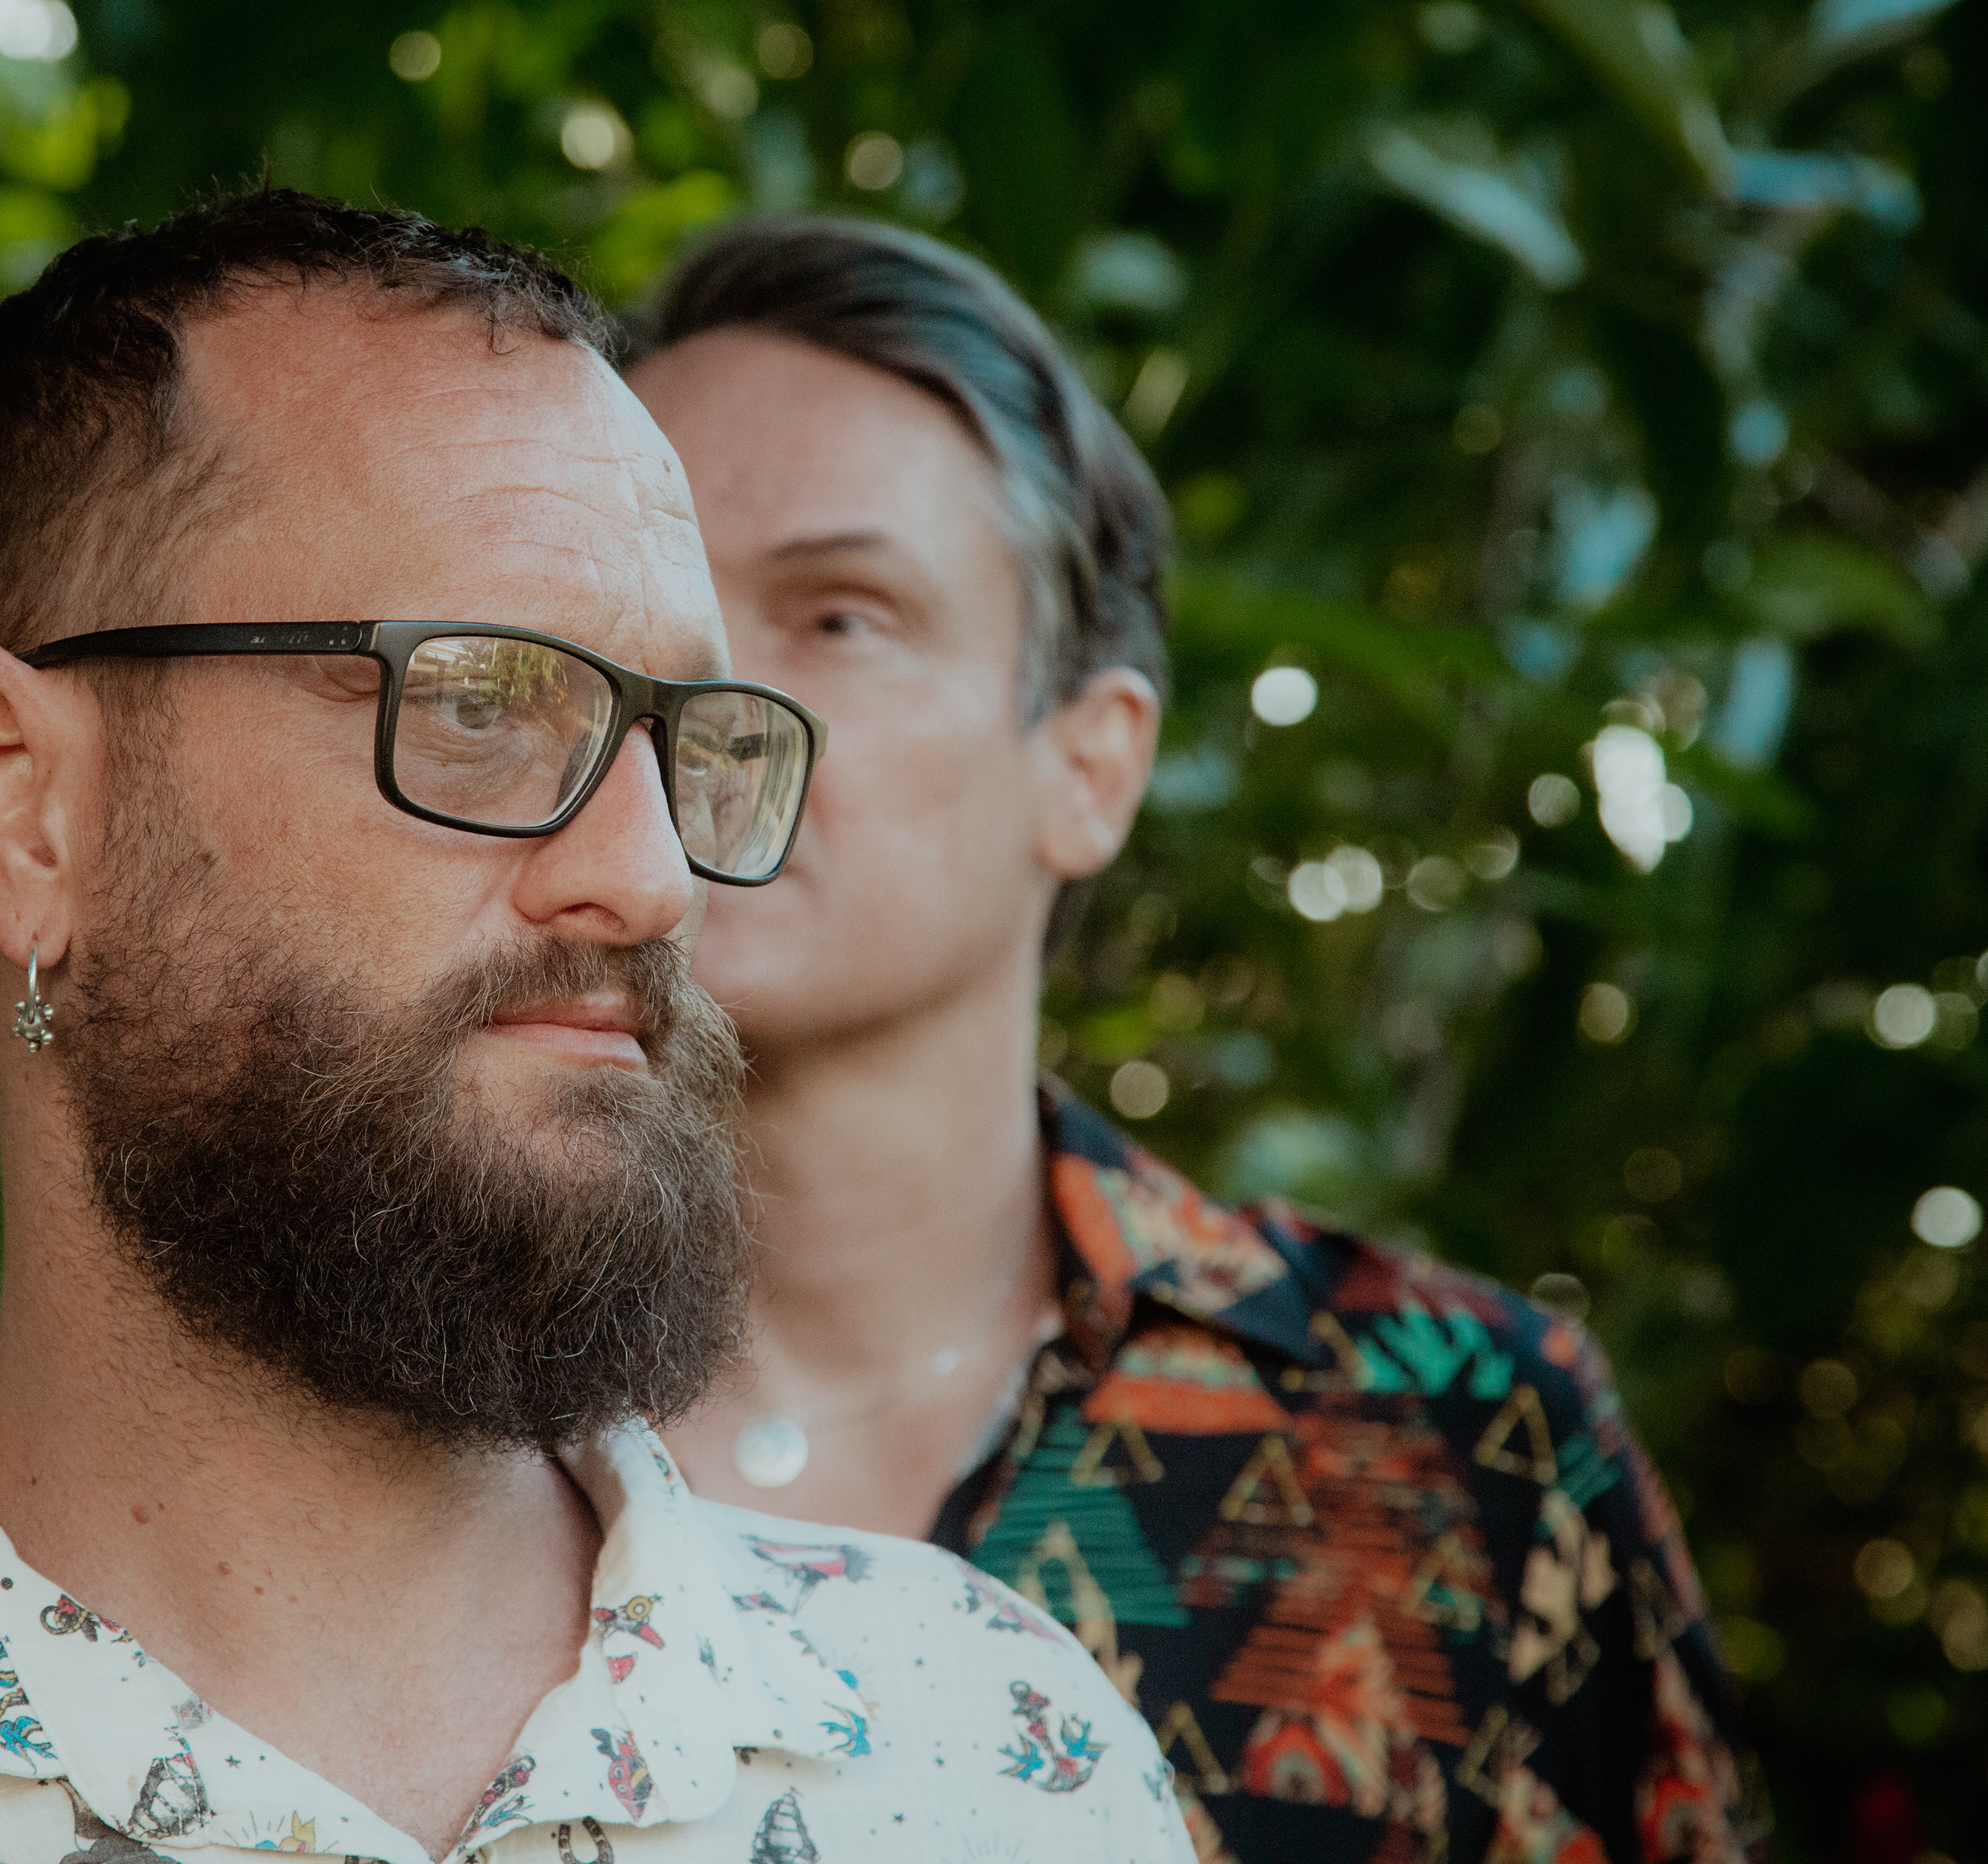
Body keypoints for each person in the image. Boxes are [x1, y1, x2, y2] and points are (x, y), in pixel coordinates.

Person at [0, 193, 1189, 1864]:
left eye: (685, 740)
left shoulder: (1000, 1755)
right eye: (479, 702)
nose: (654, 877)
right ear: (19, 803)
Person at [625, 216, 1760, 1864]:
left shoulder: (1462, 1438)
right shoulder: (381, 1398)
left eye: (842, 617)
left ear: (1090, 766)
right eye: (650, 616)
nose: (710, 707)